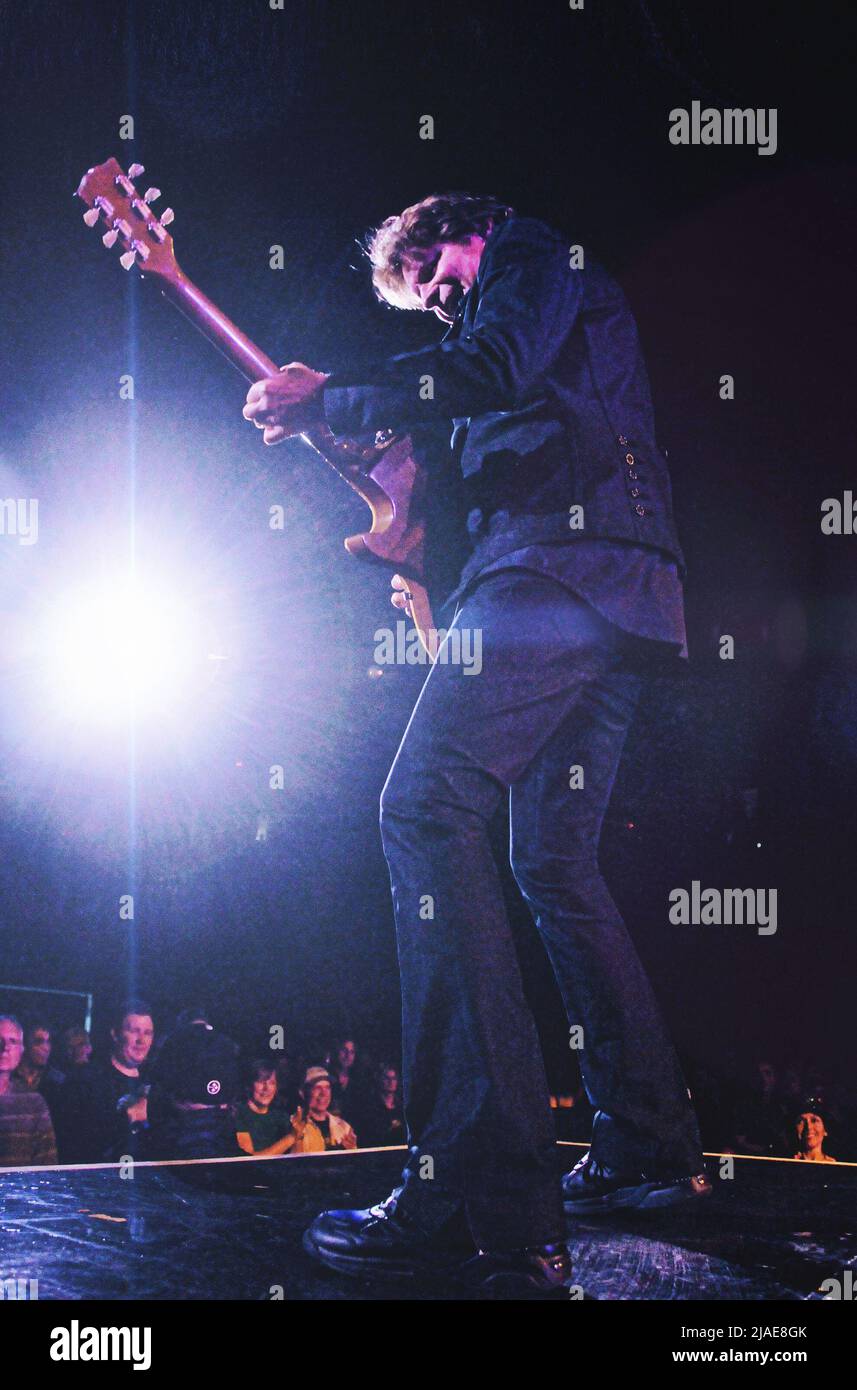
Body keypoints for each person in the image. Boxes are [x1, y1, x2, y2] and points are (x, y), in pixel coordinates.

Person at [243, 191, 709, 1295]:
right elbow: (475, 437)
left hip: (556, 573)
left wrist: (335, 391)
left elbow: (489, 366)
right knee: (550, 857)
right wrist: (390, 507)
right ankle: (648, 1147)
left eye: (436, 270)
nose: (440, 298)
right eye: (425, 294)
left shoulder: (534, 253)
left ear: (465, 228)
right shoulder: (502, 337)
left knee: (423, 807)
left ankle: (473, 1186)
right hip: (617, 593)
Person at [58, 1001, 154, 1162]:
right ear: (115, 1034)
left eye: (148, 1033)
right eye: (134, 1031)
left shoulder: (156, 1081)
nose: (141, 1040)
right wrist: (127, 1119)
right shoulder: (85, 1080)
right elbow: (73, 1142)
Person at [0, 1015, 58, 1166]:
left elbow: (47, 1162)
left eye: (13, 1041)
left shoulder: (33, 1102)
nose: (5, 1047)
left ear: (21, 1050)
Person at [235, 1060, 297, 1156]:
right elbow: (249, 1160)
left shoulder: (281, 1116)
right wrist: (291, 1137)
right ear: (249, 1085)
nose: (266, 1088)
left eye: (272, 1083)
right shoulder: (238, 1114)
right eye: (261, 1082)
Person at [289, 1067, 357, 1154]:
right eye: (317, 1088)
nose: (324, 1093)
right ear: (302, 1092)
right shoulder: (293, 1125)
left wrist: (352, 1151)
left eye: (327, 1088)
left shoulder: (344, 1128)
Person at [353, 1062, 405, 1149]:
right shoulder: (370, 1107)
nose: (391, 1082)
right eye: (387, 1078)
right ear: (379, 1079)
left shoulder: (401, 1107)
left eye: (394, 1078)